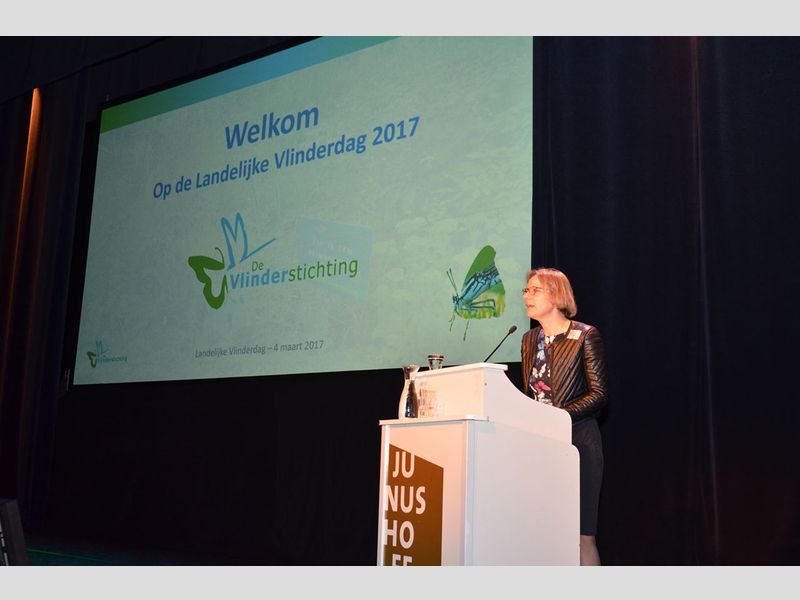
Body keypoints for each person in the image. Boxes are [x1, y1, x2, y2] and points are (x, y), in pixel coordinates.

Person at [520, 267, 608, 566]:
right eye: (526, 290)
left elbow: (599, 395)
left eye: (535, 290)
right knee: (544, 531)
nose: (527, 296)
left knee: (581, 536)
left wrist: (557, 417)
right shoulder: (528, 340)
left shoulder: (585, 335)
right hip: (540, 445)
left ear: (557, 295)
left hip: (578, 442)